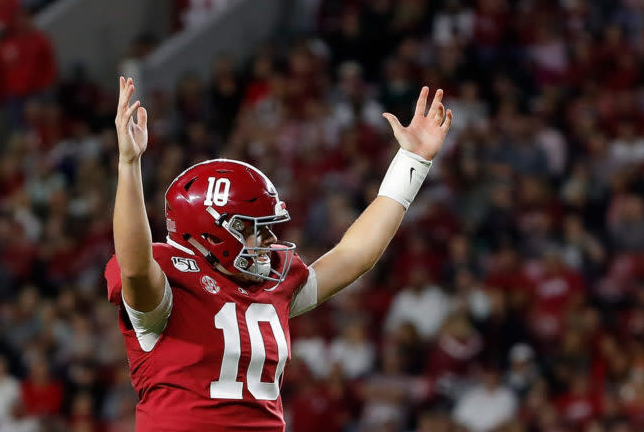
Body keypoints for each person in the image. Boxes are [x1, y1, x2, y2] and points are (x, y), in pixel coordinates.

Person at [105, 77, 453, 431]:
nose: (269, 239)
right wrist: (130, 164)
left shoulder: (272, 284)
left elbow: (355, 255)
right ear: (211, 230)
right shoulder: (170, 285)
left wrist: (412, 162)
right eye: (254, 227)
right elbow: (134, 267)